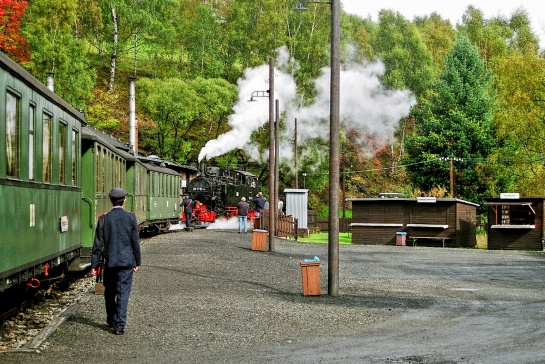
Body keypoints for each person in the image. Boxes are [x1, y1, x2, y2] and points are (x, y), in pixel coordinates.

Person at [90, 188, 141, 335]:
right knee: (123, 293)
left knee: (110, 292)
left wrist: (94, 265)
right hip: (126, 262)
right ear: (124, 200)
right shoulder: (130, 218)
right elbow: (134, 243)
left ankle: (111, 319)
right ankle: (119, 326)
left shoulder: (103, 219)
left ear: (111, 201)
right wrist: (136, 262)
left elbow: (98, 244)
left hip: (110, 262)